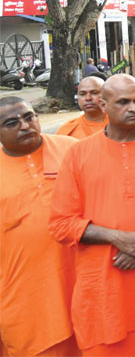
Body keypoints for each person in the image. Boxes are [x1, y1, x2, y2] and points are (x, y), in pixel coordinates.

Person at [50, 74, 135, 355]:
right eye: (123, 102)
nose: (133, 108)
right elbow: (62, 223)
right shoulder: (78, 154)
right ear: (103, 104)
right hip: (103, 285)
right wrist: (119, 239)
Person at [1, 97, 80, 356]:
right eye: (12, 123)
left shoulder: (72, 150)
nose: (25, 126)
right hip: (23, 293)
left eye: (29, 117)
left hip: (80, 280)